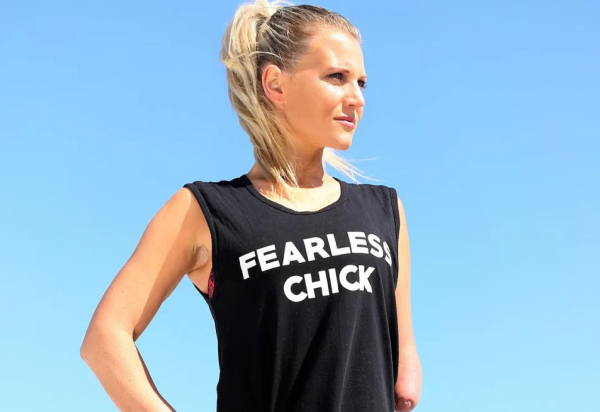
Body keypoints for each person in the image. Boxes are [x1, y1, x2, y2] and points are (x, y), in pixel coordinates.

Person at [80, 0, 422, 411]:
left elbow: (405, 378)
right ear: (275, 84)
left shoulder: (384, 210)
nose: (356, 98)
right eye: (337, 77)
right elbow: (105, 337)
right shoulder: (206, 210)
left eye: (361, 83)